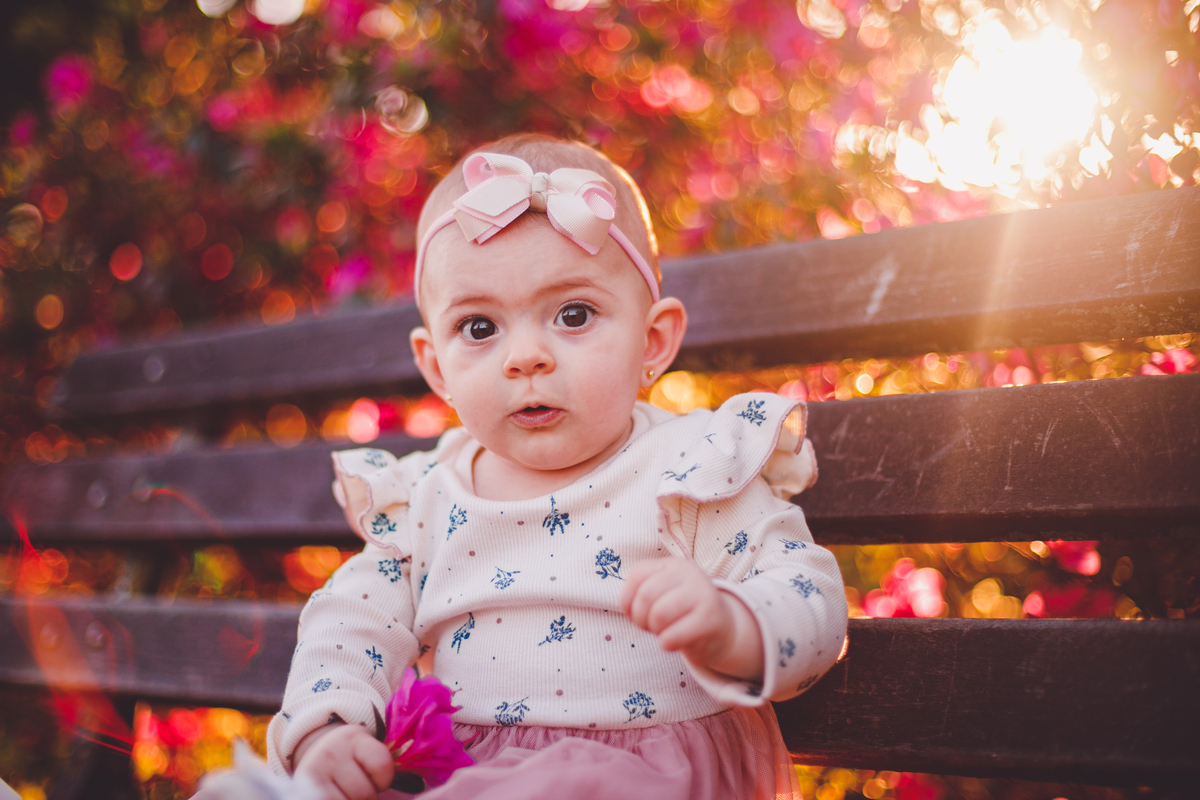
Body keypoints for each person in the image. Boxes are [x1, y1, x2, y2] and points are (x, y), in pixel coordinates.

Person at [265, 133, 847, 800]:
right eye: (480, 328)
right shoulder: (424, 498)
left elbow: (813, 599)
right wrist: (326, 727)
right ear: (435, 366)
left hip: (647, 775)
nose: (526, 357)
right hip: (469, 779)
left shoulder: (691, 472)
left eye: (573, 315)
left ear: (652, 340)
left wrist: (733, 623)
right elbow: (351, 620)